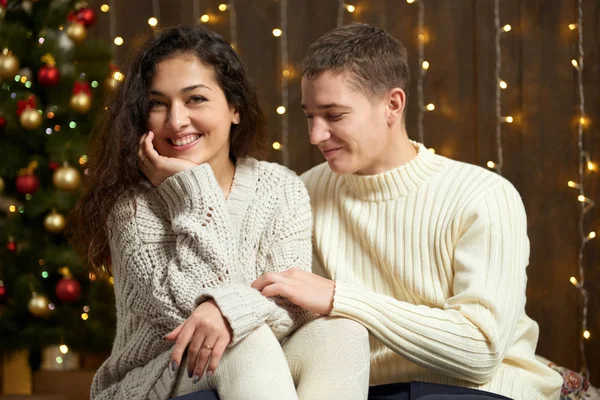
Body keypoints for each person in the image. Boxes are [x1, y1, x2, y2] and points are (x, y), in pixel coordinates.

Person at [251, 23, 564, 400]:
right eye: (309, 116)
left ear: (393, 105)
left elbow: (480, 350)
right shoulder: (303, 192)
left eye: (333, 115)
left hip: (477, 390)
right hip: (358, 389)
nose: (316, 135)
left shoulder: (483, 196)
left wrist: (341, 298)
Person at [69, 25, 369, 400]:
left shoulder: (280, 187)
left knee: (342, 333)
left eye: (195, 99)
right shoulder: (132, 207)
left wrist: (226, 310)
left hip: (255, 360)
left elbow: (296, 306)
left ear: (235, 108)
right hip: (154, 379)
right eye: (158, 103)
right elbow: (188, 319)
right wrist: (193, 193)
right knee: (241, 338)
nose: (176, 121)